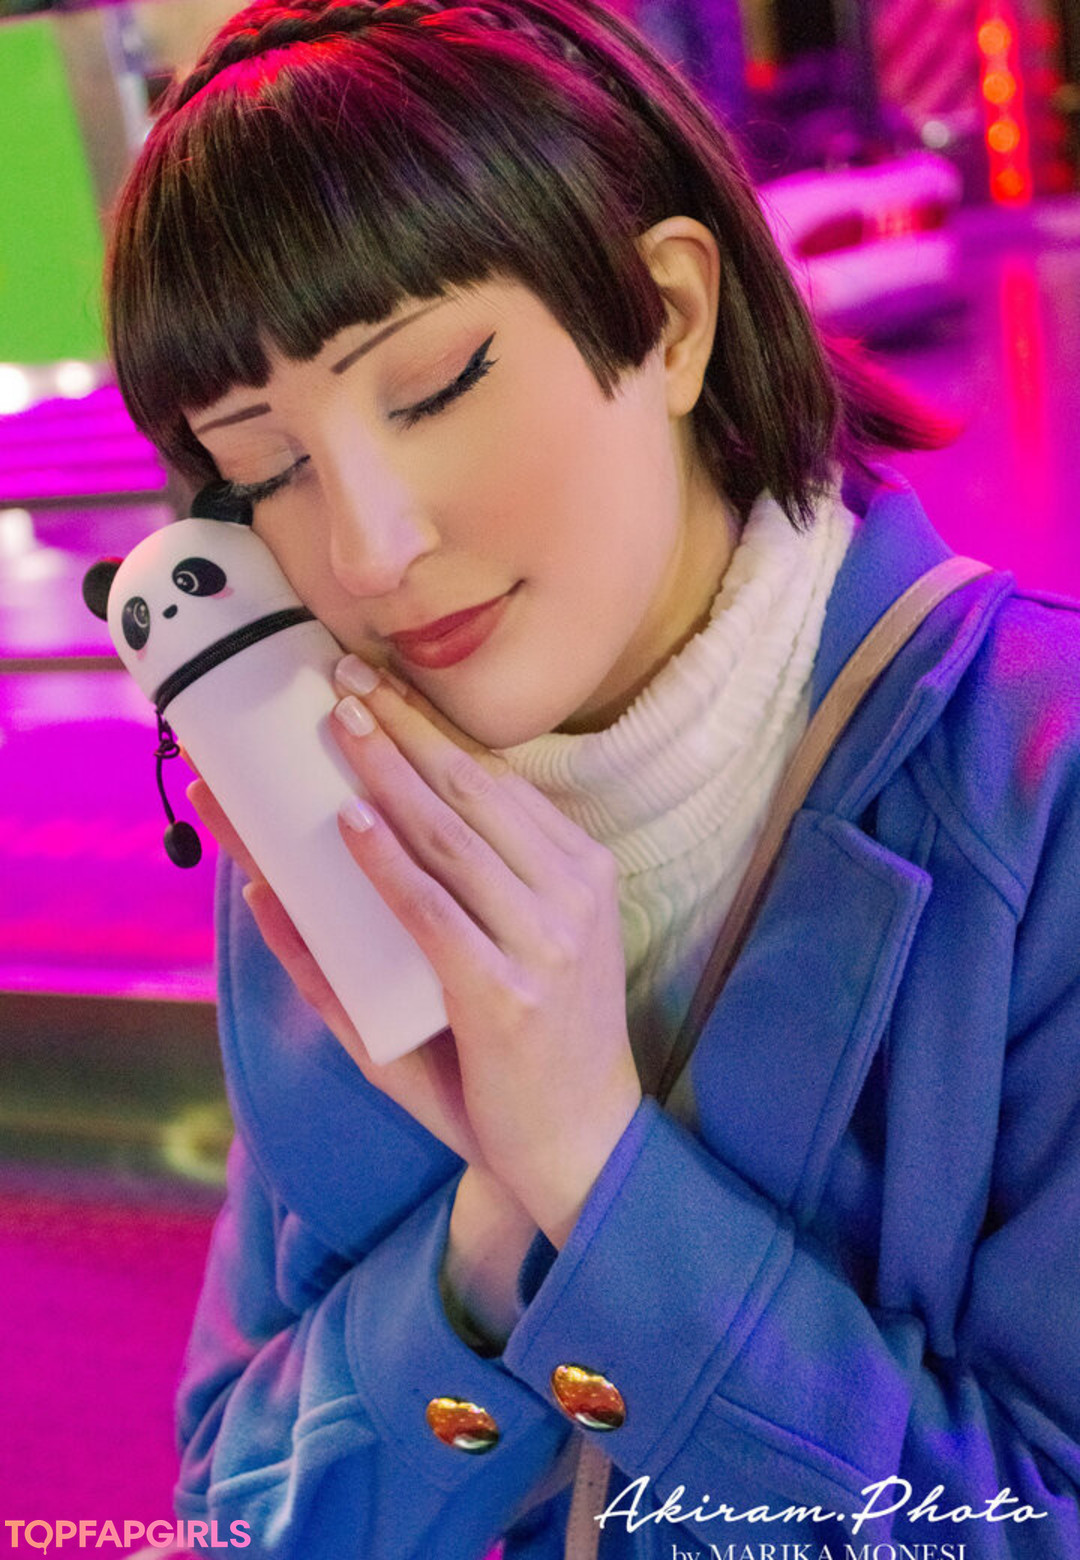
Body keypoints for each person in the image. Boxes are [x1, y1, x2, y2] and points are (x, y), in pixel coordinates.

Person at [104, 0, 1080, 1554]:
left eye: (434, 386)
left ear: (670, 313)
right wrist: (493, 1235)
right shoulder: (331, 830)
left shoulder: (1037, 793)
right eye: (267, 466)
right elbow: (243, 1511)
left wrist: (594, 1171)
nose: (367, 548)